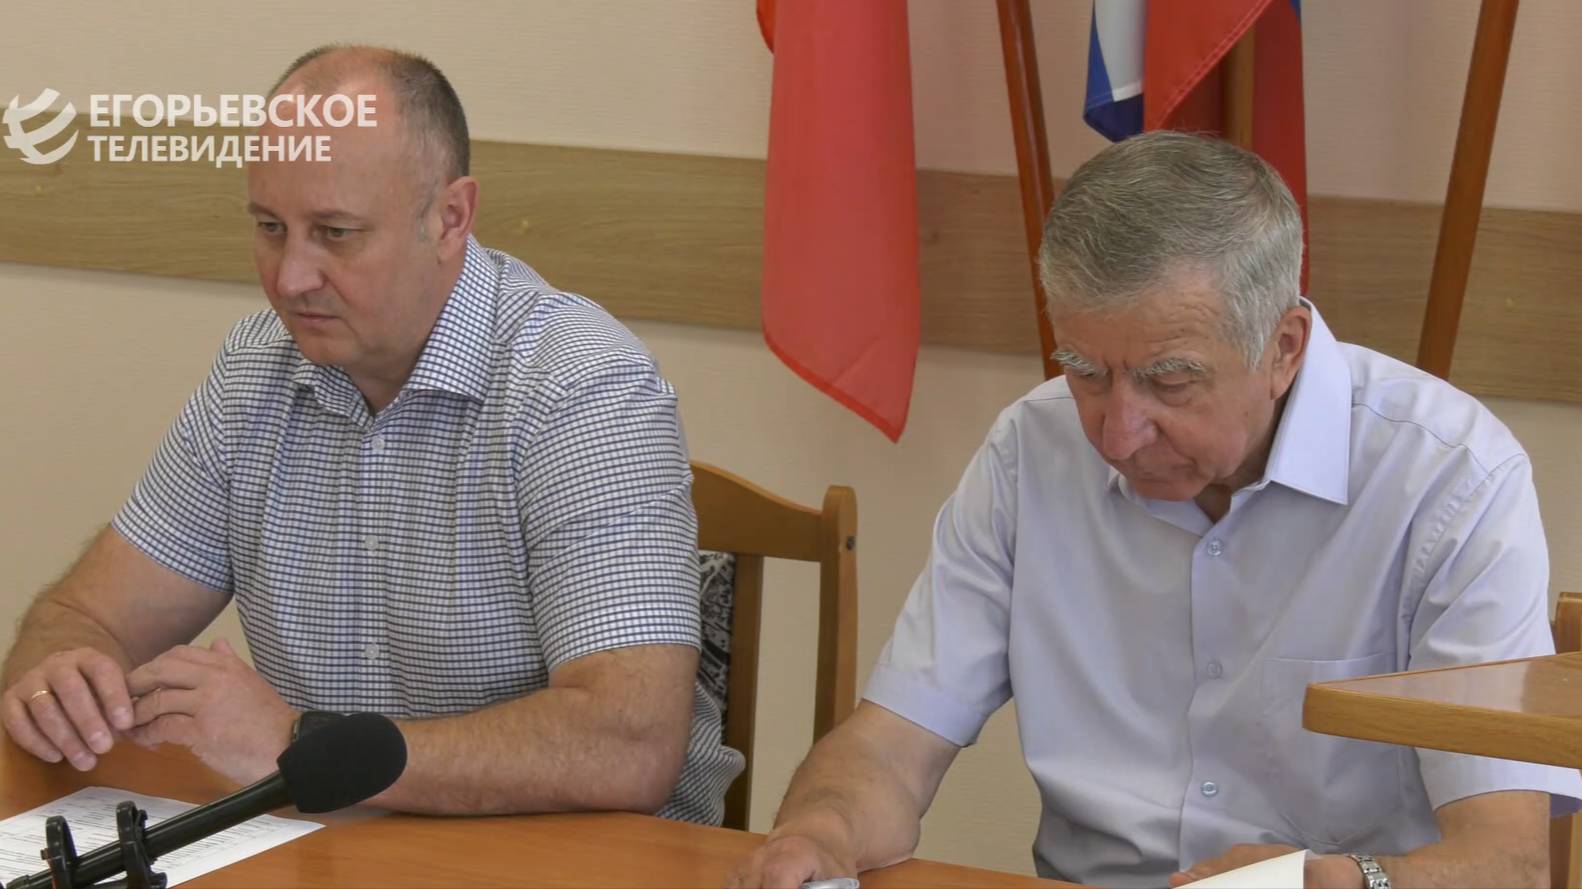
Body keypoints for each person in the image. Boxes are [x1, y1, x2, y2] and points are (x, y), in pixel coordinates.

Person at [728, 131, 1581, 888]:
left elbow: (1507, 865)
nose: (1118, 432)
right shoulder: (1031, 450)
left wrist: (1342, 881)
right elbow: (890, 746)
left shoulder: (1449, 479)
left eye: (1170, 380)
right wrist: (821, 830)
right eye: (1085, 372)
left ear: (1283, 347)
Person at [0, 45, 741, 824]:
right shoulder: (255, 370)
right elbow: (87, 618)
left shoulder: (580, 385)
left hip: (571, 858)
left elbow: (627, 743)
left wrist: (297, 743)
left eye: (336, 232)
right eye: (270, 227)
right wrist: (63, 680)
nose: (290, 278)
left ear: (449, 218)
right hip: (335, 848)